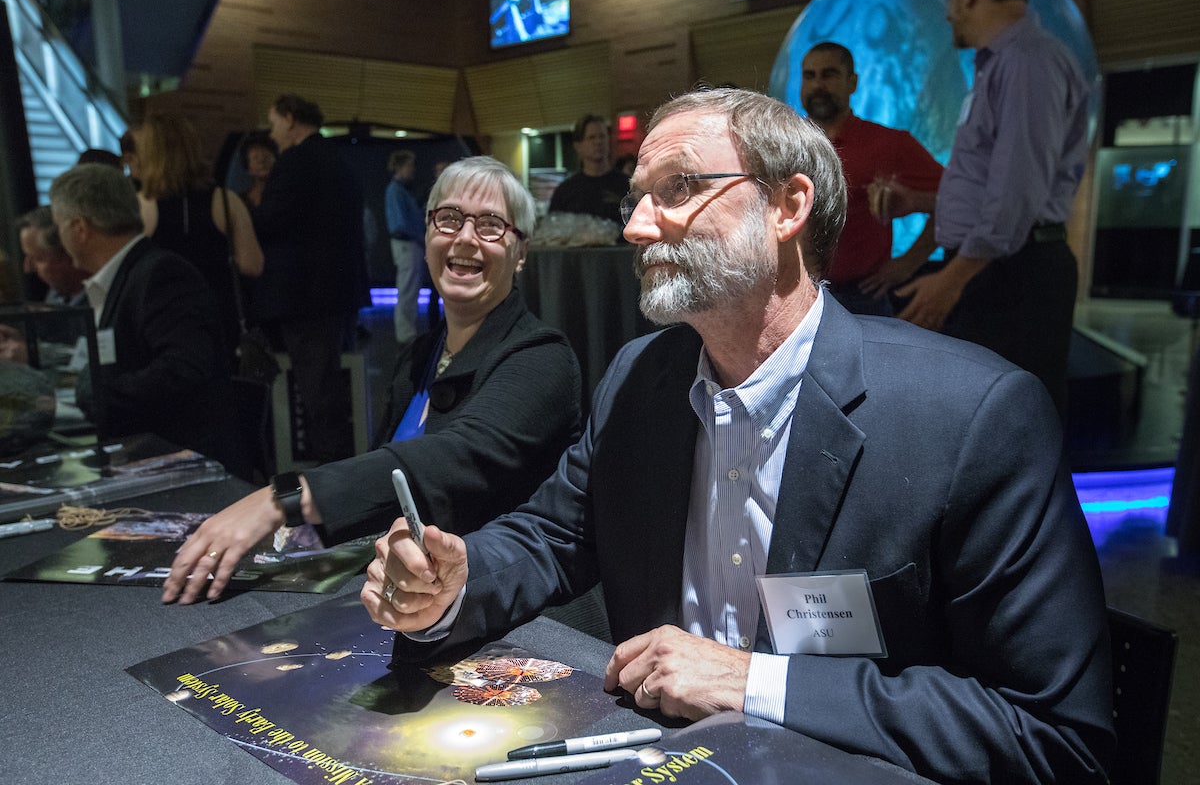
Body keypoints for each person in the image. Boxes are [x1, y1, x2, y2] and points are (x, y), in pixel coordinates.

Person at [364, 88, 1113, 784]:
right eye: (635, 199)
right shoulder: (639, 380)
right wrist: (455, 582)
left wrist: (753, 680)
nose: (635, 226)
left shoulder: (971, 415)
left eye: (679, 189)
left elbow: (1053, 736)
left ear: (787, 206)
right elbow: (554, 536)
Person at [161, 156, 582, 606]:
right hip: (405, 596)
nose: (464, 237)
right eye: (449, 218)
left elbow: (453, 455)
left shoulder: (543, 358)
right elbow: (385, 491)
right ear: (426, 236)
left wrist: (282, 499)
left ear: (521, 254)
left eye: (491, 225)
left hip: (499, 609)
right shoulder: (420, 355)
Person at [893, 0, 1089, 415]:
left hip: (1013, 272)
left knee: (1017, 418)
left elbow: (1017, 193)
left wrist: (952, 280)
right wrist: (925, 202)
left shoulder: (1026, 62)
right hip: (999, 265)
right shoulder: (1002, 64)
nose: (946, 13)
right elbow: (997, 184)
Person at [47, 163, 243, 471]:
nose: (59, 235)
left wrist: (94, 398)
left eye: (59, 225)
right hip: (146, 455)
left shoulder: (162, 273)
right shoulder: (125, 276)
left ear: (79, 228)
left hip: (182, 464)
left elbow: (184, 369)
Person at [253, 93, 370, 464]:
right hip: (341, 291)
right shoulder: (339, 160)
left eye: (273, 123)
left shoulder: (295, 163)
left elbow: (269, 223)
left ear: (290, 119)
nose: (271, 134)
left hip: (304, 296)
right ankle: (344, 466)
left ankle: (327, 478)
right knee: (335, 385)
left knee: (316, 391)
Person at [800, 41, 943, 316]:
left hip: (863, 300)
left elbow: (954, 201)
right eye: (810, 76)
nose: (818, 85)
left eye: (829, 75)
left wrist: (910, 262)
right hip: (797, 295)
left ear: (852, 82)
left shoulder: (889, 143)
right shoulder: (785, 145)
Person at [133, 113, 265, 362]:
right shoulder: (226, 201)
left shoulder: (141, 207)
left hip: (163, 320)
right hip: (219, 317)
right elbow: (252, 265)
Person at [548, 114, 629, 225]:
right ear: (578, 146)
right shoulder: (565, 191)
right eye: (592, 137)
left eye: (602, 136)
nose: (598, 142)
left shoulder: (627, 185)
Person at [385, 149, 427, 345]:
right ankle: (405, 333)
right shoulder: (395, 190)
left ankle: (407, 331)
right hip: (407, 244)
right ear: (401, 167)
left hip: (409, 244)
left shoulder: (399, 191)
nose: (413, 170)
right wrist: (419, 237)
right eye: (410, 165)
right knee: (408, 288)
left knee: (409, 288)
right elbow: (401, 223)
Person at [17, 206, 87, 307]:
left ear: (69, 253)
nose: (28, 268)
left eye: (38, 259)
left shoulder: (106, 301)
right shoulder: (55, 295)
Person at [237, 131, 277, 210]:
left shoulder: (285, 197)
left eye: (266, 156)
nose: (262, 161)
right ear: (249, 168)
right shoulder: (239, 203)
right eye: (255, 158)